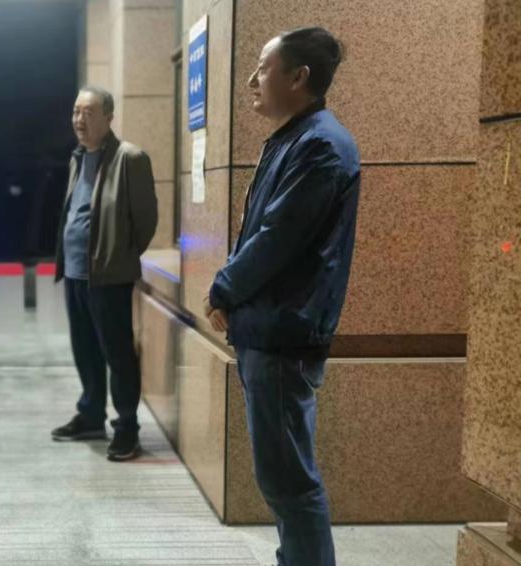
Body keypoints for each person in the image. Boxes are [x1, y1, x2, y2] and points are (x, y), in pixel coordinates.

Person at [205, 28, 358, 566]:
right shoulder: (296, 139)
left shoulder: (319, 146)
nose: (252, 79)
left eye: (263, 68)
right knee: (283, 478)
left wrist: (223, 288)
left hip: (282, 332)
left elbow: (276, 239)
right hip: (271, 328)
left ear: (299, 77)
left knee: (290, 483)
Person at [51, 86, 158, 462]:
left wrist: (119, 257)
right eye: (76, 111)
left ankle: (127, 427)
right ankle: (91, 415)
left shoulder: (130, 158)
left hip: (109, 276)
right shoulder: (78, 158)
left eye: (89, 112)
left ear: (109, 118)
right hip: (76, 273)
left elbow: (146, 222)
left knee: (118, 354)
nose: (79, 120)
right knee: (85, 350)